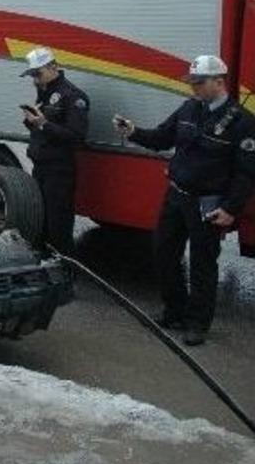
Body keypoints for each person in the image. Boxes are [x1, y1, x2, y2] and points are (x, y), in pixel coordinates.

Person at [115, 55, 255, 346]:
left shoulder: (242, 122)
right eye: (192, 82)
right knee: (163, 252)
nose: (194, 88)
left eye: (199, 83)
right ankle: (174, 310)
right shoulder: (189, 108)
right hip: (177, 195)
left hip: (208, 204)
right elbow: (162, 138)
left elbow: (246, 173)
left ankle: (197, 324)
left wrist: (231, 209)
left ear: (219, 81)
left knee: (203, 265)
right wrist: (133, 132)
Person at [19, 46, 89, 255]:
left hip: (59, 170)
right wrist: (31, 121)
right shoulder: (44, 92)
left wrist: (43, 124)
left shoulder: (73, 96)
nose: (35, 79)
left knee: (58, 225)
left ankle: (64, 271)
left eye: (37, 74)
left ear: (53, 67)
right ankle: (41, 265)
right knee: (39, 220)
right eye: (32, 75)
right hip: (40, 167)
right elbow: (40, 130)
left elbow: (76, 136)